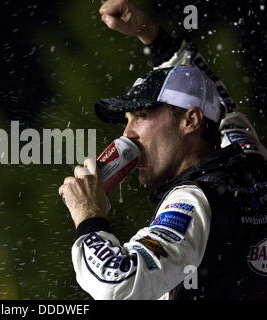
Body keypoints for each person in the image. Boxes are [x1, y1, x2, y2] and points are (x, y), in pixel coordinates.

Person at [59, 0, 267, 300]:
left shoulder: (194, 201)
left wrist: (89, 217)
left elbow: (117, 283)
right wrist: (149, 33)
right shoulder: (247, 154)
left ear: (190, 120)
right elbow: (213, 95)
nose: (126, 134)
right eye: (126, 120)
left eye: (140, 117)